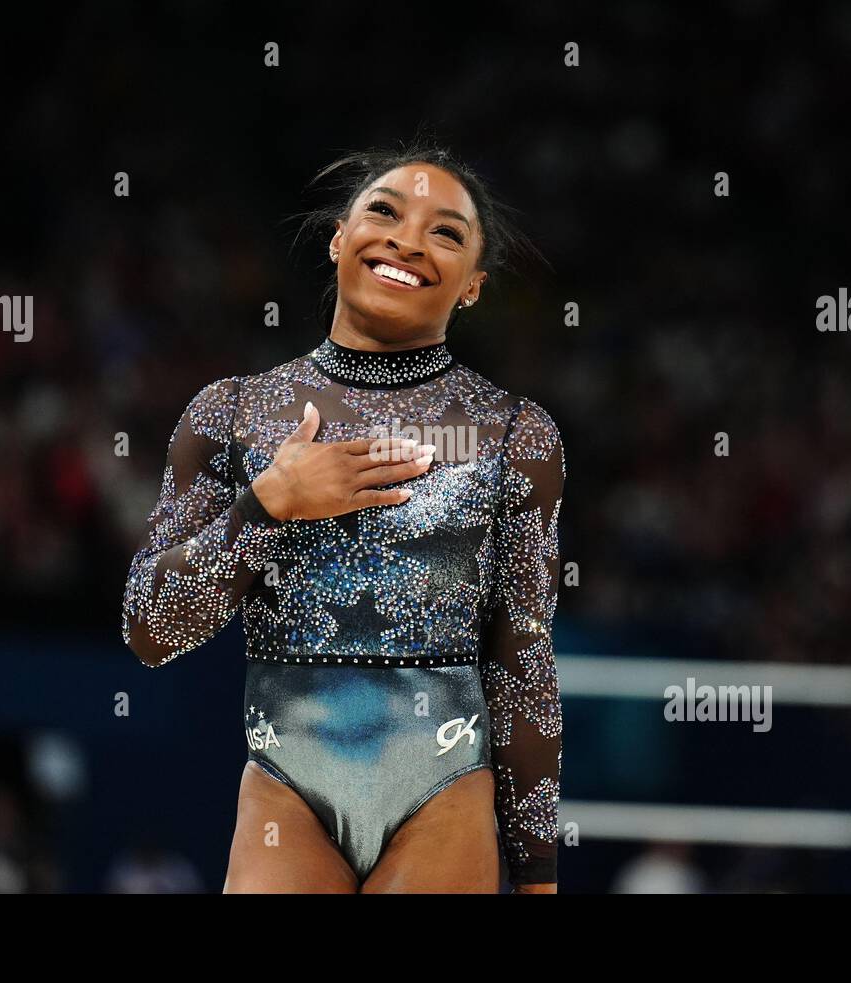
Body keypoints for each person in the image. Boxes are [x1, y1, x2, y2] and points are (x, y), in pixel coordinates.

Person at [121, 138, 565, 893]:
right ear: (338, 238)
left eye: (446, 232)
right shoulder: (230, 413)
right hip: (285, 790)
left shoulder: (514, 434)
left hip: (445, 787)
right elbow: (149, 629)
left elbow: (521, 662)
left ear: (473, 287)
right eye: (385, 211)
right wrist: (267, 504)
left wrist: (540, 874)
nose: (407, 239)